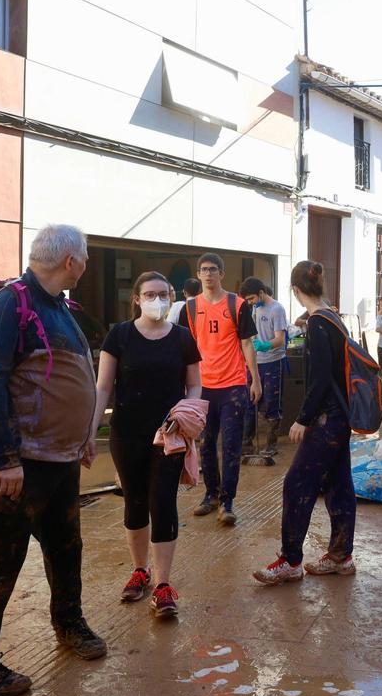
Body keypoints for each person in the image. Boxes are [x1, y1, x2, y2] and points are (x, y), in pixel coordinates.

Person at [0, 224, 105, 696]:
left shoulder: (58, 305)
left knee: (66, 547)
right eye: (84, 257)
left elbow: (63, 380)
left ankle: (70, 625)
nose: (85, 264)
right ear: (71, 261)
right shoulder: (10, 302)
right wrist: (4, 459)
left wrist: (81, 436)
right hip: (15, 464)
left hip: (55, 460)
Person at [92, 272, 202, 618]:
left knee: (162, 500)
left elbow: (195, 385)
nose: (158, 300)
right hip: (126, 433)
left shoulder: (183, 338)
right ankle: (140, 570)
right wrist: (90, 431)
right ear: (137, 299)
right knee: (135, 501)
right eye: (150, 294)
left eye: (163, 294)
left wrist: (183, 414)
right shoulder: (119, 335)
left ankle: (164, 584)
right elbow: (103, 387)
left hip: (168, 434)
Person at [253, 261, 357, 585]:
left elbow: (321, 378)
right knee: (339, 485)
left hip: (326, 421)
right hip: (341, 417)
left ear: (295, 291)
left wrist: (302, 419)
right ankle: (341, 557)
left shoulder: (317, 324)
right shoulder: (335, 318)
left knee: (297, 483)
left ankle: (290, 560)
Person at [177, 253, 262, 524]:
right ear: (198, 274)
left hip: (234, 385)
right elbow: (185, 348)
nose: (208, 274)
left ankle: (228, 501)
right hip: (202, 386)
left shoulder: (237, 304)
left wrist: (255, 379)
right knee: (206, 444)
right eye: (203, 270)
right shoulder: (189, 308)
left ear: (222, 274)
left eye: (213, 269)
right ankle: (211, 495)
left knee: (231, 445)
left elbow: (247, 344)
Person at [240, 278, 289, 457]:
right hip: (254, 362)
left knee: (271, 403)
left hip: (273, 362)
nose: (250, 302)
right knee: (250, 401)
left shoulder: (277, 309)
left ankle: (271, 444)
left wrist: (265, 345)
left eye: (251, 298)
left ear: (261, 292)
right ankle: (246, 444)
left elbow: (280, 339)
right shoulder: (253, 308)